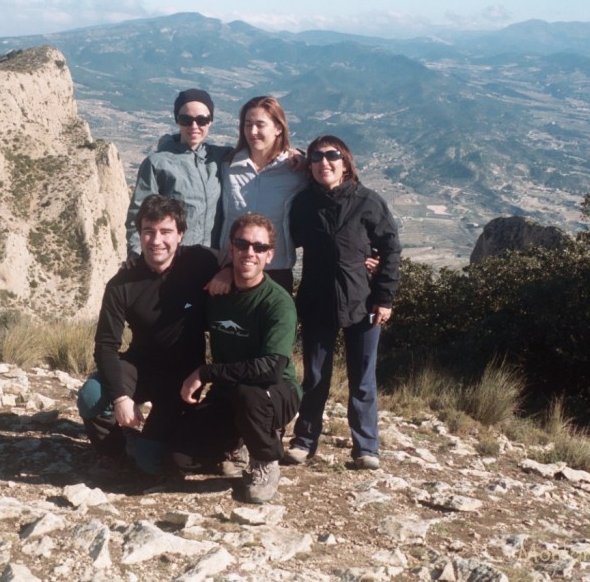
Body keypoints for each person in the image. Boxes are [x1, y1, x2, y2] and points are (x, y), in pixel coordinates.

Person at [77, 195, 220, 477]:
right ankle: (111, 452)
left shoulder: (200, 261)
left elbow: (238, 260)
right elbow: (106, 345)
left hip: (183, 376)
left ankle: (148, 445)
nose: (156, 240)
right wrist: (120, 397)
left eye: (166, 232)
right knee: (91, 396)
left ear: (180, 235)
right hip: (140, 364)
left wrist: (225, 273)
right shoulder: (122, 283)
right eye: (148, 232)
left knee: (150, 462)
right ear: (139, 235)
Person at [284, 135, 401, 470]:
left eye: (332, 156)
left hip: (362, 302)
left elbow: (390, 248)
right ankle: (304, 442)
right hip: (317, 301)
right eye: (317, 158)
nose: (325, 162)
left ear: (346, 162)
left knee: (362, 378)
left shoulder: (368, 202)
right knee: (316, 378)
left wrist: (384, 296)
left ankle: (366, 448)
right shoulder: (304, 203)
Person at [174, 213, 301, 504]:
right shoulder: (217, 293)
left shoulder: (277, 302)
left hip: (275, 392)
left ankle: (265, 460)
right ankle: (239, 440)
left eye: (259, 247)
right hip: (229, 393)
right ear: (231, 250)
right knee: (182, 457)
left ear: (269, 255)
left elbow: (271, 368)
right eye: (242, 244)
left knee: (250, 394)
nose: (250, 252)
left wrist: (205, 373)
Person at [210, 96, 307, 294]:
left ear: (278, 128)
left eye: (260, 125)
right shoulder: (228, 165)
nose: (252, 132)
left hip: (277, 268)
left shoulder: (295, 172)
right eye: (248, 125)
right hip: (232, 268)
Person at [124, 89, 231, 260]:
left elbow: (257, 152)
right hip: (173, 261)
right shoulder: (157, 163)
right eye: (186, 120)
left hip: (213, 261)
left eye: (202, 120)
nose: (194, 126)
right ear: (177, 121)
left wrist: (288, 154)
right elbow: (139, 213)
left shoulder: (221, 157)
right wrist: (137, 255)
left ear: (210, 121)